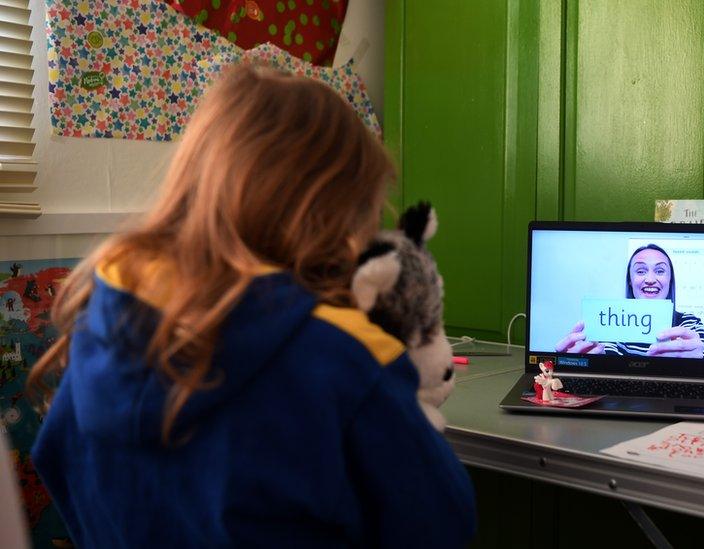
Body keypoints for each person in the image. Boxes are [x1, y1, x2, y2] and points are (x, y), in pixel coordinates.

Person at [27, 64, 476, 548]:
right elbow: (442, 521)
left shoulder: (105, 314)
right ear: (331, 215)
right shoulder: (343, 355)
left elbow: (57, 459)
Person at [554, 244, 704, 359]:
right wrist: (573, 364)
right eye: (641, 271)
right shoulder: (610, 323)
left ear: (670, 280)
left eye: (660, 271)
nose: (650, 279)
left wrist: (701, 365)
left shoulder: (691, 324)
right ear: (630, 281)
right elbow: (608, 355)